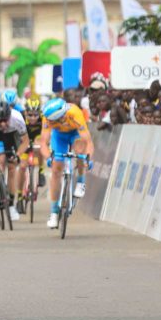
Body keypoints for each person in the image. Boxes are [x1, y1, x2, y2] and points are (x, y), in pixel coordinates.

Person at [39, 98, 94, 229]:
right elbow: (43, 143)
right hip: (59, 137)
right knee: (56, 170)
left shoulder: (75, 114)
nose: (49, 122)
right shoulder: (47, 118)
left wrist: (88, 159)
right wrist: (48, 158)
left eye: (52, 121)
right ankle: (53, 212)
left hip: (75, 134)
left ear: (60, 117)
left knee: (80, 150)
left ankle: (81, 181)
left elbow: (89, 142)